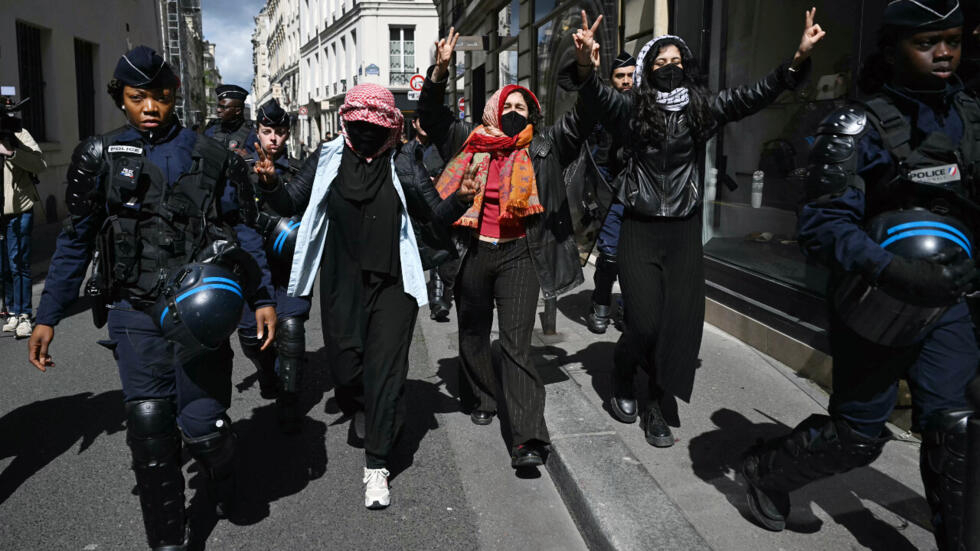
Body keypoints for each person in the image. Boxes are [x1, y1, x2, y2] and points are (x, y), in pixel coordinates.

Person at [740, 2, 980, 547]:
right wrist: (894, 271)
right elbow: (823, 225)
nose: (944, 53)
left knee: (958, 427)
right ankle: (768, 471)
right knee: (857, 436)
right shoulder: (857, 124)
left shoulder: (970, 117)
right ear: (894, 45)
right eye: (927, 42)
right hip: (875, 300)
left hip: (951, 296)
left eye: (953, 40)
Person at [27, 46, 277, 550]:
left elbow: (244, 231)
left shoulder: (213, 157)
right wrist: (47, 313)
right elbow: (76, 240)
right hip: (133, 311)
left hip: (199, 314)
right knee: (149, 426)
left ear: (175, 96)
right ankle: (167, 539)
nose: (149, 107)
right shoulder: (97, 157)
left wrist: (262, 298)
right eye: (137, 97)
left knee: (203, 428)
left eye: (160, 97)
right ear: (120, 98)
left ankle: (222, 474)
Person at [567, 10, 823, 443]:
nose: (670, 68)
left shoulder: (703, 109)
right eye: (661, 63)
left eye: (677, 62)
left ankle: (655, 406)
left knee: (676, 326)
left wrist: (796, 59)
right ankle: (623, 375)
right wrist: (585, 66)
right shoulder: (631, 112)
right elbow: (596, 98)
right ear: (648, 71)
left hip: (684, 231)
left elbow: (753, 96)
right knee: (643, 323)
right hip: (640, 228)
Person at [255, 83, 475, 509]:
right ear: (346, 123)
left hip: (394, 285)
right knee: (347, 364)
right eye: (360, 125)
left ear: (392, 126)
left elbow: (434, 216)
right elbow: (290, 201)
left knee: (385, 372)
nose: (367, 134)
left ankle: (377, 464)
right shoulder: (327, 158)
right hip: (342, 283)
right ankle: (359, 403)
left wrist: (460, 200)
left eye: (376, 126)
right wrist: (267, 183)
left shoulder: (405, 160)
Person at [420, 28, 592, 469]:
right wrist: (441, 70)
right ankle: (481, 395)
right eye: (508, 106)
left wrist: (587, 68)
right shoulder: (468, 139)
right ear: (492, 111)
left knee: (516, 345)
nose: (515, 112)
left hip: (521, 254)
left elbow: (585, 117)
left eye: (523, 107)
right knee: (474, 332)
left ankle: (528, 438)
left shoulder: (544, 146)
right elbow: (432, 115)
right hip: (473, 252)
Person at [236, 98, 311, 434]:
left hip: (289, 267)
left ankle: (290, 397)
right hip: (250, 268)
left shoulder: (298, 172)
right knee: (252, 337)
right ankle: (266, 371)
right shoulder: (239, 169)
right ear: (258, 132)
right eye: (268, 131)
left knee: (291, 330)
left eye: (280, 132)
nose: (274, 139)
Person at [585, 51, 635, 334]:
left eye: (630, 75)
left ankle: (630, 307)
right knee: (610, 254)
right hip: (609, 192)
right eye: (620, 76)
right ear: (611, 79)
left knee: (634, 256)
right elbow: (591, 157)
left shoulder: (644, 106)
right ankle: (600, 302)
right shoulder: (602, 108)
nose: (626, 81)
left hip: (639, 192)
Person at [0, 102, 45, 338]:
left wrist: (11, 152)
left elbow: (40, 163)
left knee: (19, 262)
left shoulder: (18, 134)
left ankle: (25, 314)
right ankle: (12, 312)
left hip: (20, 208)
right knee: (3, 266)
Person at [205, 84, 256, 157]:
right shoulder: (210, 132)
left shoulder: (252, 134)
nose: (218, 110)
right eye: (218, 106)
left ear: (238, 110)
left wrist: (247, 157)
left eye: (223, 107)